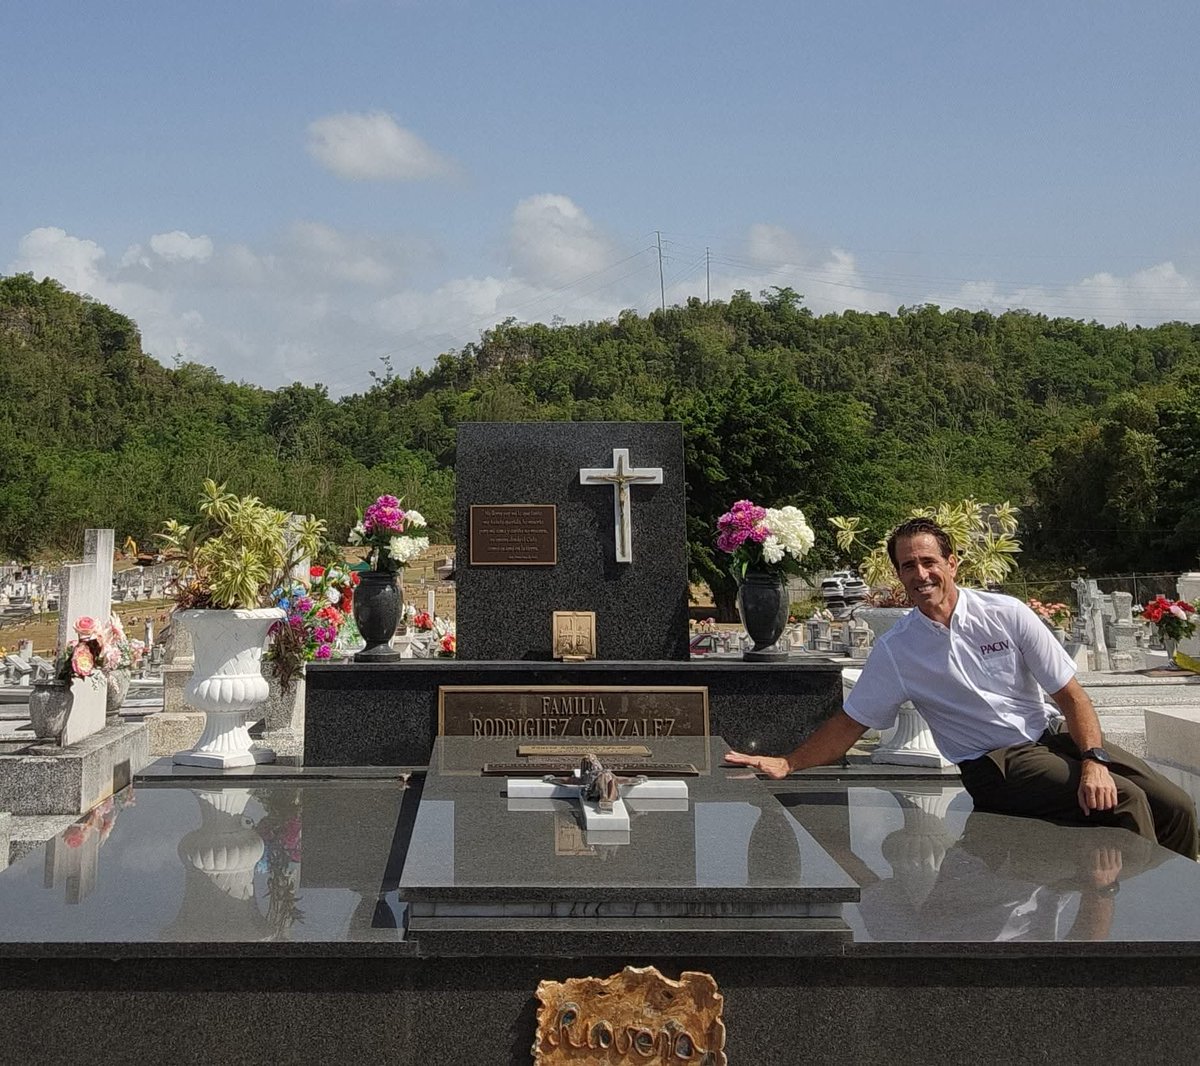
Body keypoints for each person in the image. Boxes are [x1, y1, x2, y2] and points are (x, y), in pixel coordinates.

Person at [726, 517, 1199, 859]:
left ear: (952, 563)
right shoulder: (898, 649)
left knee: (1176, 805)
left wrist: (1093, 759)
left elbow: (1071, 695)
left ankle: (1181, 905)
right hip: (995, 763)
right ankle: (1140, 918)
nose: (920, 574)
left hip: (1051, 740)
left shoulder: (1006, 613)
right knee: (1125, 801)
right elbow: (851, 723)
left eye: (928, 561)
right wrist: (789, 761)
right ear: (899, 575)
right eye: (908, 566)